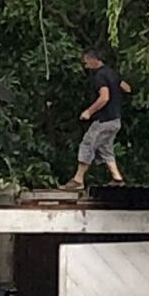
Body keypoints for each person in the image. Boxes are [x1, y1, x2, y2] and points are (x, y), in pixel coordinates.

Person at [60, 48, 131, 190]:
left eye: (86, 62)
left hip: (104, 120)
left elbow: (104, 97)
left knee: (87, 144)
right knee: (105, 148)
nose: (85, 65)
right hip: (115, 120)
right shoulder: (111, 73)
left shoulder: (99, 76)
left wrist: (88, 111)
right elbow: (127, 88)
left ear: (94, 59)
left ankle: (78, 179)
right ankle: (117, 179)